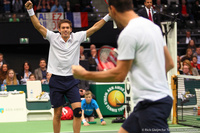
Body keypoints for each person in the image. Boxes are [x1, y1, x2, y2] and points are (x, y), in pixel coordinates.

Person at [72, 0, 174, 132]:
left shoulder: (128, 34)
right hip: (155, 100)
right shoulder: (152, 27)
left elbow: (119, 75)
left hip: (151, 103)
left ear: (112, 10)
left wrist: (84, 74)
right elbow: (169, 63)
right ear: (131, 6)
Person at [25, 1, 111, 133]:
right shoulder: (52, 37)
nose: (65, 29)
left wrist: (108, 16)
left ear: (71, 29)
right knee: (58, 114)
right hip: (56, 80)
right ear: (59, 29)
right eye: (63, 27)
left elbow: (94, 27)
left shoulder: (77, 37)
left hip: (71, 80)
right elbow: (38, 26)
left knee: (77, 112)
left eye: (68, 28)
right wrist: (31, 11)